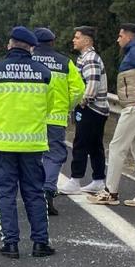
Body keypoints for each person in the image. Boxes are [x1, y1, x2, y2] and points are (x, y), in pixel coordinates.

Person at [0, 26, 54, 258]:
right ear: (31, 47)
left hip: (1, 144)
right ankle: (41, 243)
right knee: (34, 193)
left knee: (5, 193)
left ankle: (10, 243)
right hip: (33, 145)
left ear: (10, 44)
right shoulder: (44, 73)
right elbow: (49, 107)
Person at [89, 23, 135, 207]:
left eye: (120, 36)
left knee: (116, 148)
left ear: (129, 37)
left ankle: (110, 192)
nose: (117, 39)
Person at [32, 28, 84, 216]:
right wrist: (67, 106)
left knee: (32, 156)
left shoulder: (27, 61)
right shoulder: (65, 62)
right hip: (56, 118)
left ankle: (33, 194)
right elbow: (79, 89)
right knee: (54, 155)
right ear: (53, 42)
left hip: (31, 117)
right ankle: (47, 189)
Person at [60, 26, 108, 195]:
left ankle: (75, 180)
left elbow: (92, 84)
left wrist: (82, 101)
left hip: (92, 109)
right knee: (95, 145)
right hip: (95, 109)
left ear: (87, 40)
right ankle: (98, 180)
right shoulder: (85, 58)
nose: (74, 40)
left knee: (80, 143)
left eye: (77, 37)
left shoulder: (90, 59)